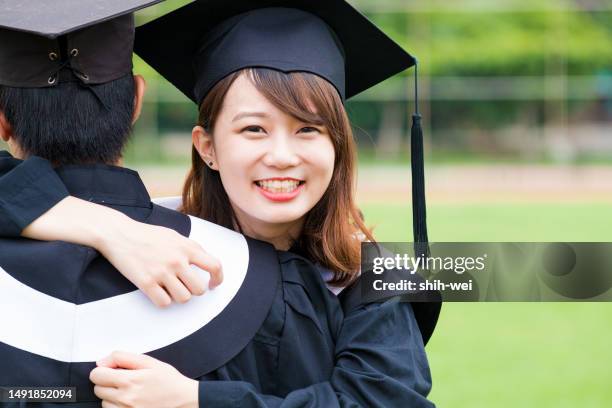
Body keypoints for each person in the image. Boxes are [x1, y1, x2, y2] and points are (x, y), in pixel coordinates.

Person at [0, 1, 441, 407]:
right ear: (207, 146)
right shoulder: (153, 238)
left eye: (309, 130)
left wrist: (197, 400)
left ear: (338, 145)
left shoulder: (373, 278)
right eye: (254, 129)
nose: (282, 155)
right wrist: (100, 225)